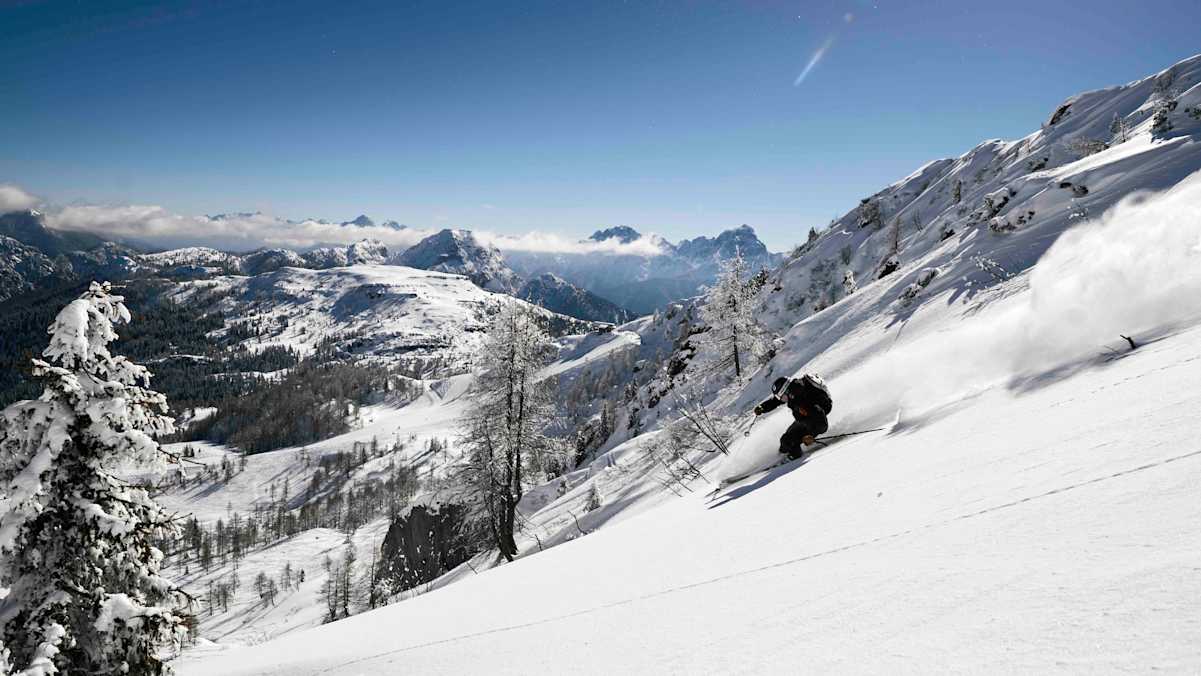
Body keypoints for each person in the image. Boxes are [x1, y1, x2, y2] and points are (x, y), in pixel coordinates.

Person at [753, 375, 831, 460]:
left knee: (788, 441)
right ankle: (783, 457)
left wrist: (810, 435)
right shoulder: (793, 392)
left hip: (813, 422)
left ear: (787, 391)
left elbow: (822, 424)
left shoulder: (803, 398)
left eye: (782, 397)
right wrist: (763, 407)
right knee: (785, 441)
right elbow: (776, 401)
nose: (783, 400)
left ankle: (794, 459)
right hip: (805, 419)